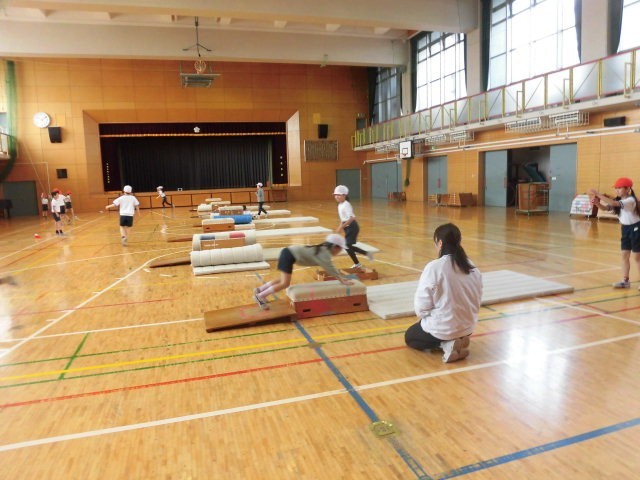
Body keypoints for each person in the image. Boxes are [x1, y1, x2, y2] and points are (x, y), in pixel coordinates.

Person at [405, 223, 483, 363]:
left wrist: (423, 317)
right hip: (468, 327)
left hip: (443, 329)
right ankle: (456, 339)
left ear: (440, 243)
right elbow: (477, 298)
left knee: (410, 337)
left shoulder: (434, 267)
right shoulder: (472, 267)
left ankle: (446, 344)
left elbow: (421, 305)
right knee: (436, 324)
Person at [253, 233, 353, 310]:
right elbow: (330, 268)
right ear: (335, 247)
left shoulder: (323, 249)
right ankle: (260, 296)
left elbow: (330, 267)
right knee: (285, 283)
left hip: (287, 252)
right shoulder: (325, 253)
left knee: (282, 279)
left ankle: (260, 289)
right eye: (340, 249)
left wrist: (341, 278)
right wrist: (342, 280)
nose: (340, 251)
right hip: (289, 255)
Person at [589, 177, 640, 289]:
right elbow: (606, 208)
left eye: (619, 188)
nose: (617, 190)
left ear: (628, 189)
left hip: (636, 228)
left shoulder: (630, 200)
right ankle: (625, 281)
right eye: (616, 188)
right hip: (625, 229)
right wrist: (597, 204)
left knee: (637, 257)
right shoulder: (618, 200)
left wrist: (598, 194)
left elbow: (613, 203)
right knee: (624, 255)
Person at [333, 185, 373, 271]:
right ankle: (359, 262)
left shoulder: (346, 205)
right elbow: (343, 219)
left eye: (338, 195)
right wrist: (339, 229)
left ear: (344, 195)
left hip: (352, 227)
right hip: (347, 227)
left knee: (347, 245)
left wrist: (342, 227)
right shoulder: (340, 205)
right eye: (335, 195)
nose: (336, 196)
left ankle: (364, 256)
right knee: (347, 246)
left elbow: (352, 218)